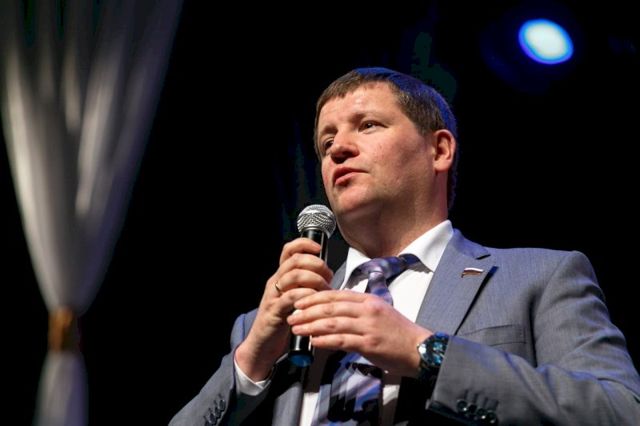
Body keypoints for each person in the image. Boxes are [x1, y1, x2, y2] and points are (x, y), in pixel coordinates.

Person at [170, 67, 640, 425]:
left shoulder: (539, 277)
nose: (338, 149)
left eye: (368, 125)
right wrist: (251, 359)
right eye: (327, 142)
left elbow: (618, 410)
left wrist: (426, 352)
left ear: (439, 150)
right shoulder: (269, 325)